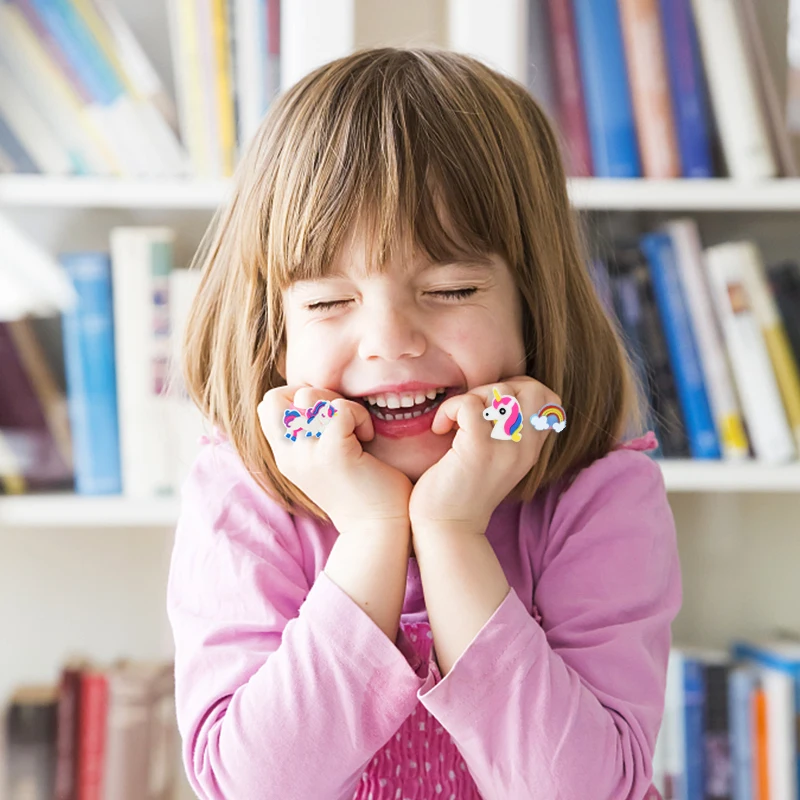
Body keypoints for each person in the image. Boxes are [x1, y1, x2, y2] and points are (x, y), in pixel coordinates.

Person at [166, 46, 682, 800]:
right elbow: (253, 787)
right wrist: (374, 534)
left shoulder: (601, 497)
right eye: (327, 302)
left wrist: (450, 534)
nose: (390, 341)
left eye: (451, 287)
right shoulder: (240, 497)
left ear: (534, 304)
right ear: (275, 330)